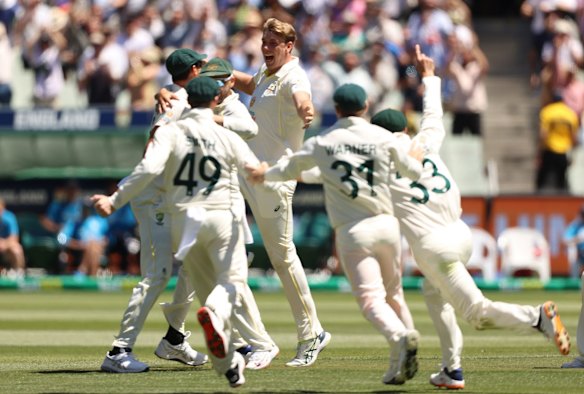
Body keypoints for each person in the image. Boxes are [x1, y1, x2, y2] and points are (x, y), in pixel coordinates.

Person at [370, 44, 571, 390]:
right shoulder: (425, 142)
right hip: (461, 235)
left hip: (435, 248)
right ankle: (452, 369)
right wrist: (430, 76)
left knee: (477, 313)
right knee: (432, 291)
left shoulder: (384, 165)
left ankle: (537, 317)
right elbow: (433, 116)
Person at [92, 76, 275, 388]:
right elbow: (254, 170)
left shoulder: (171, 131)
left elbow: (148, 168)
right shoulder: (224, 133)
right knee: (231, 281)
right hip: (220, 216)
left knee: (201, 283)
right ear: (216, 102)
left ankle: (229, 364)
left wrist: (114, 199)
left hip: (184, 222)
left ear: (187, 100)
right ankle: (213, 317)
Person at [245, 82, 422, 384]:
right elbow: (414, 172)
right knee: (394, 294)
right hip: (388, 226)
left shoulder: (325, 140)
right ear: (366, 107)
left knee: (370, 300)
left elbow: (288, 170)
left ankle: (399, 336)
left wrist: (263, 175)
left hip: (354, 231)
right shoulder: (382, 136)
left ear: (337, 109)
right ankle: (397, 363)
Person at [156, 54, 280, 370]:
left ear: (227, 84)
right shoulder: (197, 99)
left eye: (217, 82)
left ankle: (258, 343)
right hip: (201, 208)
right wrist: (164, 90)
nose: (211, 87)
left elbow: (248, 128)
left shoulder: (231, 106)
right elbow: (173, 103)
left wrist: (212, 119)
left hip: (225, 208)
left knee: (230, 277)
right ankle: (175, 336)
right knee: (196, 273)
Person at [99, 48, 209, 374]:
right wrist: (122, 192)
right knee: (158, 274)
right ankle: (118, 352)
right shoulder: (175, 100)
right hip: (152, 198)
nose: (206, 68)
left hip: (165, 195)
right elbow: (156, 138)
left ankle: (174, 337)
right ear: (193, 69)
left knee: (197, 255)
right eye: (201, 65)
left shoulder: (178, 95)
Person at [232, 17, 331, 367]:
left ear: (289, 46)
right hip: (247, 172)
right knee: (219, 243)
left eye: (274, 43)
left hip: (274, 178)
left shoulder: (295, 76)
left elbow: (302, 98)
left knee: (282, 258)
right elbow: (253, 86)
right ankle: (230, 335)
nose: (266, 47)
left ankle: (312, 333)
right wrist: (228, 77)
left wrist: (306, 109)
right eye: (264, 41)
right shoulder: (266, 72)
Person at [535, 93, 580, 193]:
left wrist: (539, 152)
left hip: (549, 150)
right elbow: (574, 138)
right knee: (561, 181)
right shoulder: (570, 114)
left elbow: (543, 135)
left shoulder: (547, 111)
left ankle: (538, 204)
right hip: (563, 152)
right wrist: (573, 155)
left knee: (541, 180)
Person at [0, 197, 26, 277]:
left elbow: (14, 238)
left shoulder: (9, 217)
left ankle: (19, 274)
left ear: (3, 206)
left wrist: (4, 243)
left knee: (17, 249)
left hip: (7, 247)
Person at [563, 205, 584, 279]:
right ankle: (574, 281)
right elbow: (565, 240)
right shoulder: (575, 225)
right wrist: (578, 239)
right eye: (583, 214)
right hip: (579, 255)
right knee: (572, 249)